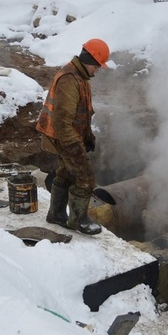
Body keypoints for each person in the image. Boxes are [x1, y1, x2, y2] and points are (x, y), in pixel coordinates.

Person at [36, 38, 110, 235]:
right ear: (91, 61)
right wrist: (74, 147)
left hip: (68, 136)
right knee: (85, 178)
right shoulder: (69, 80)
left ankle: (56, 214)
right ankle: (79, 220)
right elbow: (61, 122)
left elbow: (80, 114)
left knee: (66, 173)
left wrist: (87, 136)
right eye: (97, 66)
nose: (98, 70)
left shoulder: (80, 76)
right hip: (63, 138)